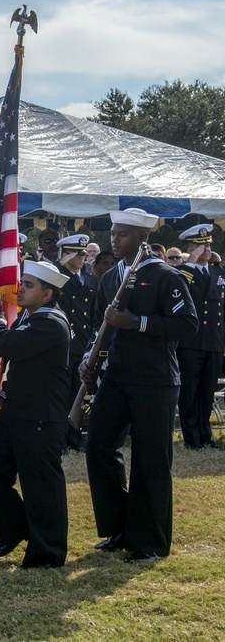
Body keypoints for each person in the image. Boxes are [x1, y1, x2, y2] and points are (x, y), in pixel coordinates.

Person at [82, 208, 198, 564]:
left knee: (151, 459)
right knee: (98, 447)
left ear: (142, 238)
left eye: (123, 235)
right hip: (117, 376)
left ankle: (149, 540)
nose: (114, 240)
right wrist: (90, 359)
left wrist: (139, 323)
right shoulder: (109, 277)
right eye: (113, 234)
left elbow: (188, 324)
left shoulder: (164, 275)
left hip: (155, 380)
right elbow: (99, 328)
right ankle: (119, 526)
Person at [0, 260, 71, 568]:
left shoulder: (50, 322)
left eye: (28, 285)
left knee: (41, 484)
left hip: (41, 416)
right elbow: (23, 369)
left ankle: (48, 552)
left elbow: (7, 346)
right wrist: (3, 394)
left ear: (47, 294)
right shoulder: (32, 318)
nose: (20, 289)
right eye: (22, 282)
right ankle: (13, 530)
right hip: (18, 410)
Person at [174, 224, 224, 449]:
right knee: (190, 391)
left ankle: (206, 434)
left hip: (214, 340)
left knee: (207, 391)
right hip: (191, 341)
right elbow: (178, 289)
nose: (205, 249)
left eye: (208, 244)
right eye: (199, 245)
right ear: (189, 248)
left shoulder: (218, 272)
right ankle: (192, 437)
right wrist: (190, 263)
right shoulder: (183, 272)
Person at [55, 234, 97, 453]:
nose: (82, 258)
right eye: (77, 253)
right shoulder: (56, 276)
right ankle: (59, 438)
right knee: (60, 395)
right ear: (66, 254)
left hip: (81, 343)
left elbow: (92, 314)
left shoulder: (90, 279)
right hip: (62, 344)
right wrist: (58, 267)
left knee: (78, 394)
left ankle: (75, 435)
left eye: (83, 253)